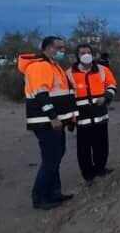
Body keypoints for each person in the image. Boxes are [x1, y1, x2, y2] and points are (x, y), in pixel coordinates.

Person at [17, 36, 76, 210]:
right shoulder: (39, 67)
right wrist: (53, 117)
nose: (62, 51)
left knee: (56, 157)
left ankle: (54, 193)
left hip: (56, 121)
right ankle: (40, 197)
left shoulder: (53, 66)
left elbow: (63, 94)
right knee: (51, 160)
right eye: (59, 47)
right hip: (46, 122)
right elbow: (41, 94)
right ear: (48, 48)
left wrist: (69, 118)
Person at [66, 44, 118, 187]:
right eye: (82, 52)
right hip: (82, 118)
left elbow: (112, 85)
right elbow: (67, 97)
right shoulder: (70, 73)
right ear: (77, 55)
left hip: (100, 115)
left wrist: (106, 97)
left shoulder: (102, 70)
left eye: (88, 52)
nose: (86, 55)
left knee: (101, 145)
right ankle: (88, 175)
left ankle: (100, 169)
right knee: (84, 150)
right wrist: (71, 119)